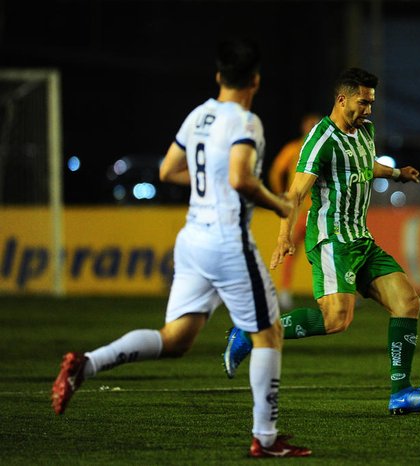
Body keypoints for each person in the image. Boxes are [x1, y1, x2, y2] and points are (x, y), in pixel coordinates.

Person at [50, 38, 311, 458]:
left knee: (176, 339)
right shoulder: (246, 122)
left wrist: (211, 181)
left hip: (192, 240)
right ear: (255, 80)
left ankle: (87, 363)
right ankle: (265, 439)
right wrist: (281, 203)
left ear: (218, 77)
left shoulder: (199, 116)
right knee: (269, 334)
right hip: (227, 240)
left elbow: (167, 169)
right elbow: (242, 179)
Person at [223, 67, 420, 415]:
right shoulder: (320, 138)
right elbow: (296, 191)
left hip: (361, 239)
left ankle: (399, 392)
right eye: (363, 103)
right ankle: (250, 330)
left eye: (371, 103)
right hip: (332, 240)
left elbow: (364, 164)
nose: (368, 110)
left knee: (408, 302)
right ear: (342, 99)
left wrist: (396, 173)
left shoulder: (365, 130)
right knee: (335, 321)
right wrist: (283, 237)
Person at [267, 112, 321, 310]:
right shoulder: (294, 149)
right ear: (303, 127)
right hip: (299, 210)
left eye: (315, 124)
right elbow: (275, 170)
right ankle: (285, 292)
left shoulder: (323, 147)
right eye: (310, 124)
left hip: (320, 210)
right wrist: (280, 195)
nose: (312, 127)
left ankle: (341, 291)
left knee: (329, 251)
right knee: (290, 250)